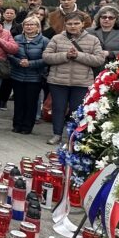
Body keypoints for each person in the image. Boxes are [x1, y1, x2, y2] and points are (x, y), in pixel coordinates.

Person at [43, 11, 105, 145]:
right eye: (69, 24)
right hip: (58, 80)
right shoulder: (57, 38)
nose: (73, 26)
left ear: (83, 24)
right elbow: (46, 57)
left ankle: (73, 137)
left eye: (76, 23)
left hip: (81, 82)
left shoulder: (93, 40)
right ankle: (57, 134)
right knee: (58, 108)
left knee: (76, 110)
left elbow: (99, 60)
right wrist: (65, 55)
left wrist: (78, 56)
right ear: (65, 24)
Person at [8, 15, 48, 134]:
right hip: (17, 74)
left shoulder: (45, 41)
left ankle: (27, 126)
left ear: (38, 27)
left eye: (32, 25)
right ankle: (17, 124)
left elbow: (47, 59)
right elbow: (10, 54)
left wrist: (30, 64)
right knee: (19, 101)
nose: (29, 27)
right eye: (26, 24)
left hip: (34, 77)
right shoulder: (17, 38)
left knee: (31, 102)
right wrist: (18, 62)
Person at [88, 4, 119, 68]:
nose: (107, 19)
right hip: (92, 68)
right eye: (104, 17)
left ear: (116, 19)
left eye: (111, 18)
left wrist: (110, 53)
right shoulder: (88, 31)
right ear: (99, 18)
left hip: (115, 68)